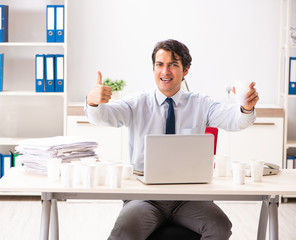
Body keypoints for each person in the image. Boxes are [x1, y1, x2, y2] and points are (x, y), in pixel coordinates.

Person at [85, 39, 259, 240]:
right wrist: (93, 102)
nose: (165, 71)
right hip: (144, 198)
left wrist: (246, 108)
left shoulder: (201, 104)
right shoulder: (137, 103)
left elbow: (234, 120)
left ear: (185, 70)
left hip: (188, 198)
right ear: (153, 69)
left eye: (173, 65)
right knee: (124, 232)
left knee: (220, 227)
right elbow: (104, 115)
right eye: (160, 65)